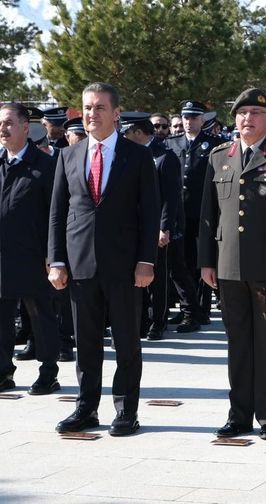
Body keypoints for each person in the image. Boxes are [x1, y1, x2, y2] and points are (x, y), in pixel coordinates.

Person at [49, 82, 160, 436]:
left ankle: (126, 410)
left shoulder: (138, 156)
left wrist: (147, 260)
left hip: (125, 266)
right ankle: (86, 408)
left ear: (116, 114)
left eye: (99, 108)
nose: (91, 114)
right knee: (87, 342)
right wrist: (56, 260)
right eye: (87, 107)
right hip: (80, 265)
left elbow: (150, 212)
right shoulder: (68, 155)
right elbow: (57, 213)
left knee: (127, 341)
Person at [198, 88, 266, 441]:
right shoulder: (219, 157)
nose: (248, 119)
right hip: (228, 268)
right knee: (238, 344)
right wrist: (206, 262)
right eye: (242, 112)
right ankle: (239, 414)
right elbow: (207, 217)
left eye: (255, 113)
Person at [0, 103, 62, 395]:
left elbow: (55, 214)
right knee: (2, 317)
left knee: (41, 316)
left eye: (9, 123)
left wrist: (54, 256)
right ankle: (3, 371)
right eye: (0, 123)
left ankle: (48, 371)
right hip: (3, 256)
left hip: (34, 256)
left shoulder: (45, 166)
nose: (2, 128)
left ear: (26, 127)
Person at [165, 101, 227, 331]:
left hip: (202, 213)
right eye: (185, 117)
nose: (189, 122)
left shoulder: (215, 145)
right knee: (180, 262)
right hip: (178, 213)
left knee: (200, 261)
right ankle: (186, 309)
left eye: (193, 118)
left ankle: (200, 310)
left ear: (202, 120)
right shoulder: (172, 143)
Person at [120, 112, 182, 341]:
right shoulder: (131, 155)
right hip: (135, 226)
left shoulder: (164, 157)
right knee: (137, 278)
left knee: (158, 277)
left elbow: (170, 197)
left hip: (157, 228)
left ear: (137, 132)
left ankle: (158, 320)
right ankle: (143, 320)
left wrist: (163, 227)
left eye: (126, 133)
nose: (123, 137)